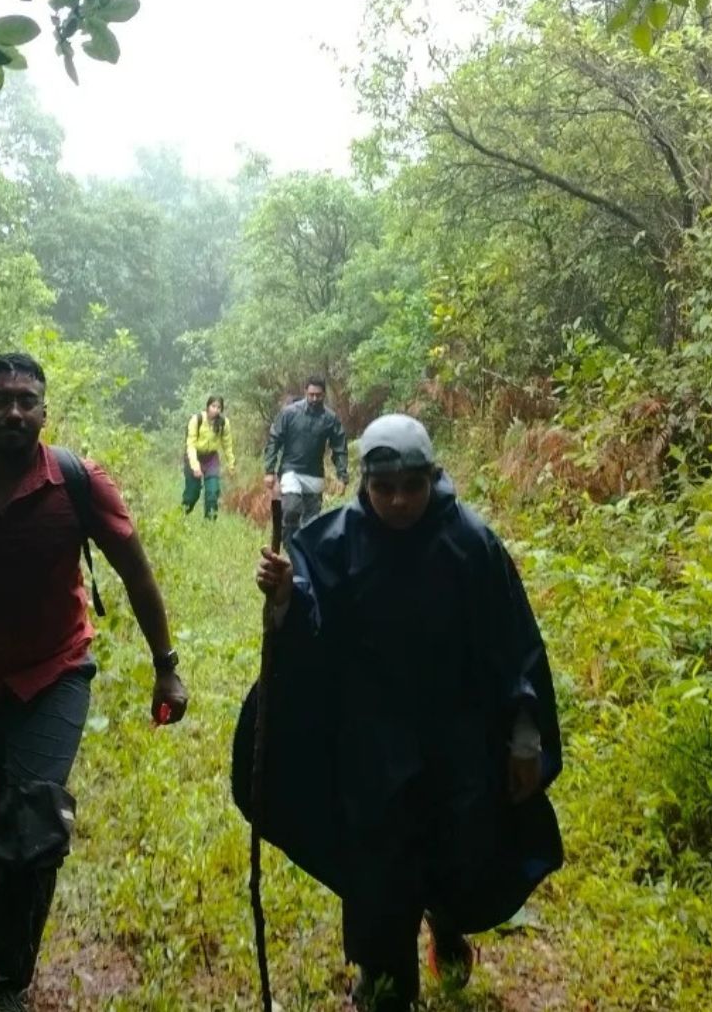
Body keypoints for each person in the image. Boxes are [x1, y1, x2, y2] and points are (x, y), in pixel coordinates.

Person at [0, 352, 190, 1012]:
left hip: (55, 673)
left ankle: (6, 981)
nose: (15, 411)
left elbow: (137, 576)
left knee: (35, 816)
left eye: (27, 400)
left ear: (45, 411)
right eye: (1, 400)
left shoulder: (78, 483)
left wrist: (167, 668)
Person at [234, 414, 563, 1012]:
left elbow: (510, 643)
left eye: (412, 486)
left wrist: (522, 737)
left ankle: (443, 916)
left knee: (457, 847)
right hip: (371, 743)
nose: (399, 500)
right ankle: (382, 982)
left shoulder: (470, 543)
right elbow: (313, 630)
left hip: (456, 740)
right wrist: (286, 596)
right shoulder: (332, 540)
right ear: (364, 483)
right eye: (384, 488)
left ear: (432, 478)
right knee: (378, 862)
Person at [263, 376, 349, 539]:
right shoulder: (289, 413)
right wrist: (269, 470)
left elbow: (339, 447)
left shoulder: (330, 419)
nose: (314, 399)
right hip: (291, 471)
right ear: (305, 392)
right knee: (292, 510)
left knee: (312, 523)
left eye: (318, 395)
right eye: (311, 395)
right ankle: (289, 546)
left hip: (315, 474)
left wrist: (342, 476)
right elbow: (274, 439)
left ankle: (302, 556)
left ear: (324, 394)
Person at [180, 394, 232, 519]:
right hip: (194, 457)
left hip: (211, 459)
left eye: (219, 407)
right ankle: (181, 516)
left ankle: (210, 524)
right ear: (208, 407)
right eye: (213, 406)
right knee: (192, 494)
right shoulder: (196, 420)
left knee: (212, 492)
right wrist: (195, 466)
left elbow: (227, 445)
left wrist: (231, 464)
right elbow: (190, 445)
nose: (216, 410)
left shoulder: (223, 423)